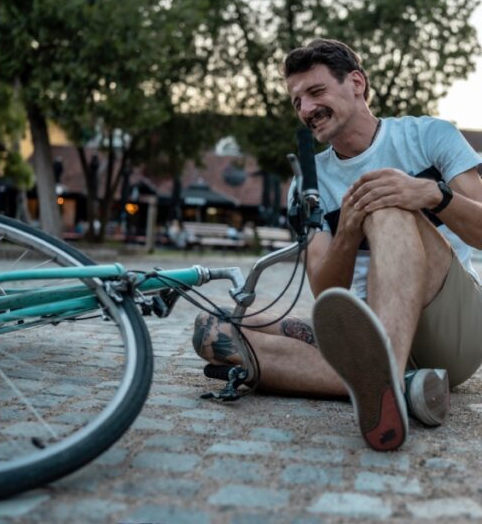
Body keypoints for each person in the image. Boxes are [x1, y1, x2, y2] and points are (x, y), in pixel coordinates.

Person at [192, 39, 482, 451]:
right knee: (213, 328)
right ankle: (402, 384)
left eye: (316, 92)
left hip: (453, 329)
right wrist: (347, 231)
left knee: (383, 198)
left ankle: (385, 377)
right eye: (297, 102)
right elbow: (327, 293)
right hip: (368, 327)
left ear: (357, 83)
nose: (306, 109)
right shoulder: (307, 185)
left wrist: (432, 195)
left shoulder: (430, 135)